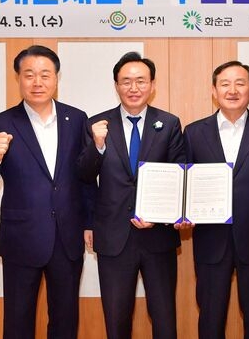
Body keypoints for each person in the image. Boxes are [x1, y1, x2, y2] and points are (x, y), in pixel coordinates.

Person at [0, 45, 93, 339]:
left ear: (56, 78)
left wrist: (90, 223)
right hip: (21, 237)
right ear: (18, 78)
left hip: (67, 236)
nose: (37, 82)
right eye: (29, 75)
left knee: (65, 320)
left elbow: (86, 176)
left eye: (45, 74)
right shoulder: (0, 123)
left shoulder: (77, 119)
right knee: (18, 320)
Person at [77, 51, 185, 339]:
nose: (133, 88)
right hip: (113, 236)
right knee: (116, 320)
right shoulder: (97, 125)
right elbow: (84, 177)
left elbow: (178, 176)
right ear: (116, 85)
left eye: (140, 80)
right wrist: (97, 145)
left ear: (152, 85)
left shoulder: (169, 123)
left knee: (164, 319)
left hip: (158, 236)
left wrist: (161, 217)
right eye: (126, 81)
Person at [183, 60, 249, 339]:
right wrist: (182, 213)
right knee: (210, 318)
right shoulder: (193, 132)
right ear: (214, 90)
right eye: (225, 84)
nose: (232, 90)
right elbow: (185, 184)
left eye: (240, 84)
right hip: (210, 240)